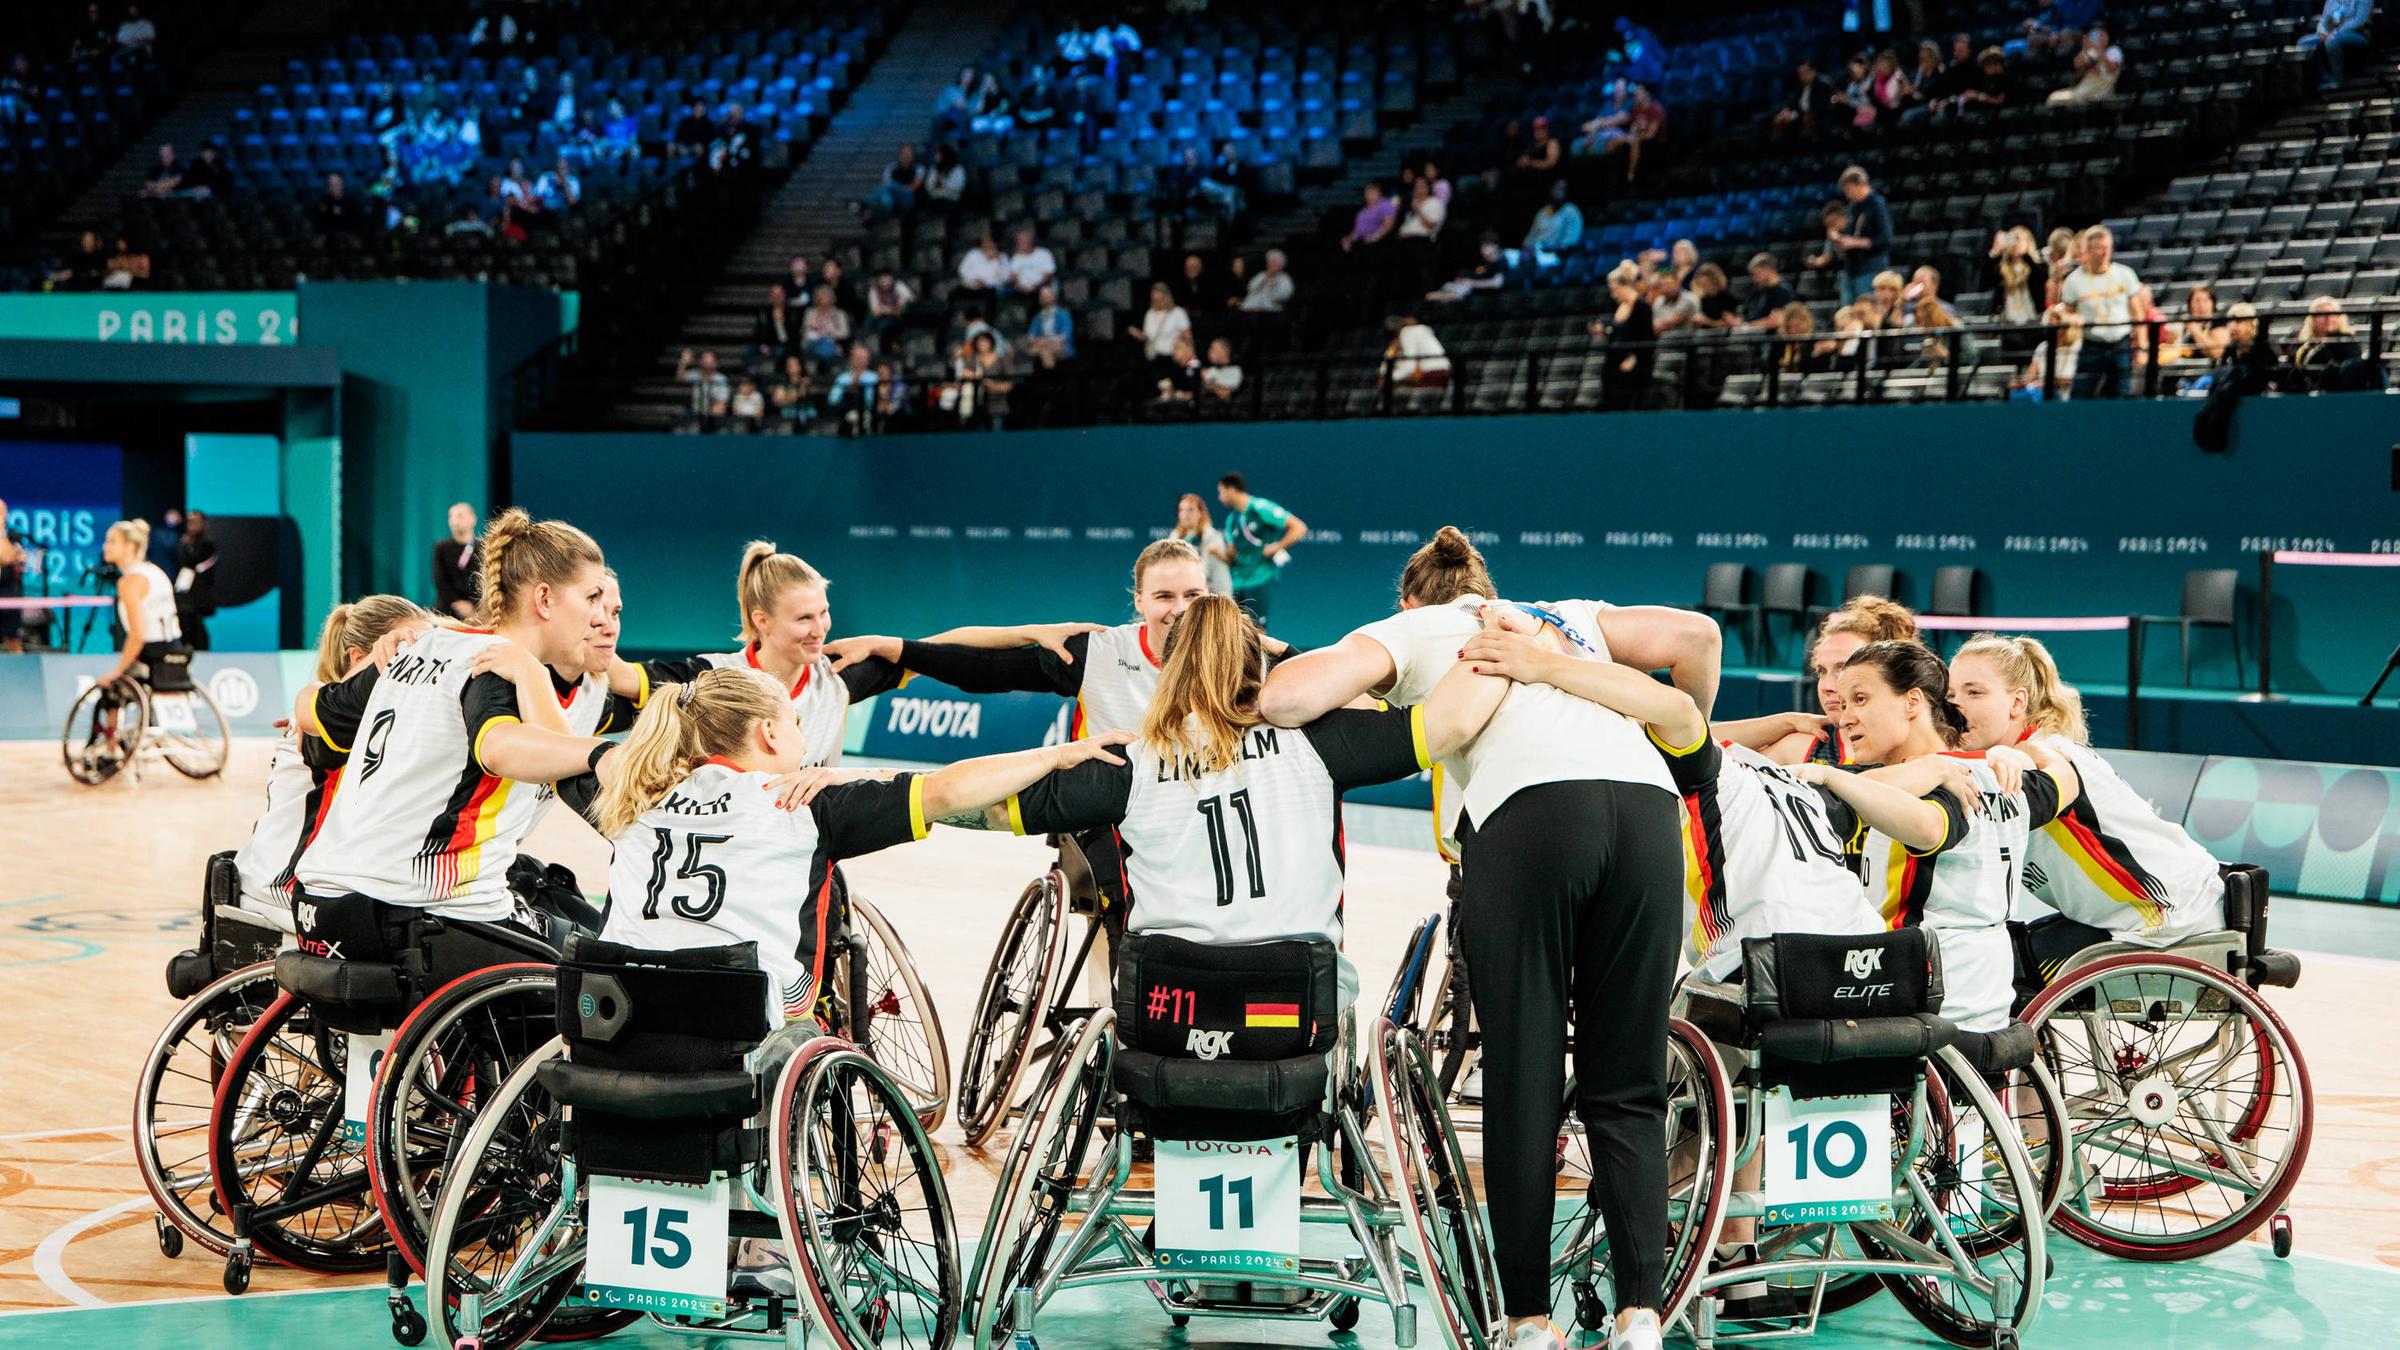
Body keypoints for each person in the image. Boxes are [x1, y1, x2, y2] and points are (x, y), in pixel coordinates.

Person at [1256, 528, 1723, 1350]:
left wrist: (1391, 699)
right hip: (1648, 816)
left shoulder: (1418, 627)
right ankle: (1640, 1318)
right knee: (1629, 1084)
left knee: (1523, 1077)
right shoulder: (1570, 615)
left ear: (1411, 599)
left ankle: (1529, 1322)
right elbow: (1699, 637)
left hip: (1534, 815)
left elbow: (1285, 699)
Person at [959, 592, 1509, 1021]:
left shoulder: (1129, 763)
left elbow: (989, 807)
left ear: (1167, 668)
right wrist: (1498, 631)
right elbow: (1450, 720)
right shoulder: (1320, 740)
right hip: (1291, 1007)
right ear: (1258, 664)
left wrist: (1050, 756)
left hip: (1169, 1011)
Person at [594, 664, 1135, 1028]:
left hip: (626, 1014)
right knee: (806, 1007)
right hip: (737, 1022)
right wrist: (1055, 754)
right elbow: (948, 790)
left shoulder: (633, 794)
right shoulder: (804, 807)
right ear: (770, 734)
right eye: (795, 723)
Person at [292, 509, 624, 923]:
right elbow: (501, 748)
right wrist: (600, 751)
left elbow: (310, 708)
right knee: (584, 952)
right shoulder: (495, 666)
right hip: (412, 907)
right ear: (543, 600)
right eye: (592, 598)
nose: (599, 617)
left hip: (318, 898)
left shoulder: (419, 645)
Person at [1821, 640, 2082, 1036]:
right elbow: (2066, 781)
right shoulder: (2000, 775)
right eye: (1843, 704)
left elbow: (1926, 826)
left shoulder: (1940, 788)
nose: (1845, 719)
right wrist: (2026, 752)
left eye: (1860, 699)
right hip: (1989, 1000)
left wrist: (1824, 774)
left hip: (1920, 1000)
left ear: (1912, 702)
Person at [1948, 634, 2229, 963]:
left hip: (2171, 916)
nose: (1956, 705)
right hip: (2134, 915)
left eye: (1974, 692)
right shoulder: (2026, 751)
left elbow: (2033, 758)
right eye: (1950, 694)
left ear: (2017, 703)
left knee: (1994, 965)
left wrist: (2005, 756)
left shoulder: (2046, 755)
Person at [232, 597, 436, 925]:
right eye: (404, 651)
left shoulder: (352, 710)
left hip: (300, 879)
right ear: (358, 658)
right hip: (284, 888)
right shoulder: (326, 710)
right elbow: (315, 706)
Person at [626, 543, 909, 770]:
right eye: (804, 618)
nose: (819, 629)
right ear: (762, 620)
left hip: (815, 826)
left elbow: (933, 654)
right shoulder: (713, 676)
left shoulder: (837, 675)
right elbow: (622, 678)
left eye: (823, 613)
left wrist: (878, 643)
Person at [2060, 226, 2147, 399]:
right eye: (2099, 248)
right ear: (2088, 250)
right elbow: (2066, 311)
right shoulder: (2073, 281)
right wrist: (2071, 317)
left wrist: (2142, 347)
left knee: (2121, 393)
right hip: (2092, 344)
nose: (2104, 253)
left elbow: (2138, 313)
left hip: (2121, 343)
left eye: (2107, 247)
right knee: (2081, 394)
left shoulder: (2125, 274)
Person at [96, 519, 183, 689]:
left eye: (112, 541)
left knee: (108, 690)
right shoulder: (156, 572)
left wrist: (117, 671)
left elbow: (138, 635)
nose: (106, 546)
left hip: (151, 657)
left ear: (130, 546)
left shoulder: (130, 582)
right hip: (177, 651)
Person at [1214, 473, 1306, 625]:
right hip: (1236, 583)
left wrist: (1277, 546)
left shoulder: (1261, 508)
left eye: (1221, 492)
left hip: (1258, 579)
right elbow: (1232, 556)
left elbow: (1299, 527)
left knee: (1257, 631)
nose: (1219, 498)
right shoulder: (1231, 520)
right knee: (1233, 630)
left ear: (1231, 490)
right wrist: (1219, 553)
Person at [1809, 167, 1894, 305]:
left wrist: (1855, 242)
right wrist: (1838, 238)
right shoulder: (1853, 207)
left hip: (1870, 269)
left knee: (1866, 307)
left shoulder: (1877, 206)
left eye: (1849, 190)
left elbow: (1886, 239)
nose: (1848, 195)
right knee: (1847, 310)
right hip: (1850, 269)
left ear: (1861, 184)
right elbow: (1849, 233)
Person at [1596, 260, 1656, 411]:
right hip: (1614, 364)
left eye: (1615, 289)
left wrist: (1634, 358)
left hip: (1634, 366)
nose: (1613, 294)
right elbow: (1617, 334)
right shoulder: (1618, 307)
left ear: (1626, 286)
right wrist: (1604, 331)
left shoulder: (1642, 307)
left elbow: (1646, 337)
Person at [2289, 295, 2366, 392]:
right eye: (2322, 314)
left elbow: (2350, 371)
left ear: (2339, 317)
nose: (2328, 318)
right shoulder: (2303, 343)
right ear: (2313, 319)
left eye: (2332, 314)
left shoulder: (2346, 340)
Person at [2301, 0, 2374, 90]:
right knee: (2303, 43)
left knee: (2332, 41)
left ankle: (2337, 80)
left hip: (2356, 33)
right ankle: (2323, 77)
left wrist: (2336, 32)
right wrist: (2322, 32)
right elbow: (2323, 20)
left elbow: (2359, 21)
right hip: (2331, 33)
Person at [1171, 494, 1233, 595]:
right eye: (1181, 510)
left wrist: (1223, 601)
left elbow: (1220, 577)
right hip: (1181, 595)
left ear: (1200, 513)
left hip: (1209, 597)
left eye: (1190, 509)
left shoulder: (1213, 538)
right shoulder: (1173, 539)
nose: (1185, 514)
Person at [172, 510, 217, 650]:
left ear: (203, 523)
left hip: (199, 594)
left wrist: (187, 546)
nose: (191, 524)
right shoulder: (183, 542)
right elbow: (181, 563)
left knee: (197, 628)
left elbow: (193, 562)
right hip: (184, 594)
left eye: (195, 521)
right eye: (189, 521)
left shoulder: (207, 544)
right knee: (185, 624)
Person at [2046, 25, 2124, 103]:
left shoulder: (2114, 51)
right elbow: (2077, 64)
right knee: (2053, 97)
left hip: (2101, 90)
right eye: (2098, 36)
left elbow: (2112, 68)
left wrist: (2100, 52)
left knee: (2057, 99)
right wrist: (2085, 47)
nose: (2100, 39)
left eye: (2102, 36)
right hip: (2085, 87)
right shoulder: (2092, 52)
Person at [432, 502, 480, 621]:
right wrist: (457, 603)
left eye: (460, 516)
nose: (454, 521)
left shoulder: (484, 548)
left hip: (477, 614)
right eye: (451, 517)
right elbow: (440, 581)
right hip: (446, 613)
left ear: (473, 519)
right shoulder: (441, 548)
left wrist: (473, 606)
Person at [1381, 314, 1451, 388]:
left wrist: (1389, 378)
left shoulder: (1406, 332)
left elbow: (1410, 367)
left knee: (1411, 394)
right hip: (1446, 370)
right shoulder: (1421, 328)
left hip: (1432, 372)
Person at [1134, 283, 1192, 365]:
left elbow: (1188, 336)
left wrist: (1189, 357)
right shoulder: (1149, 314)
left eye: (1160, 299)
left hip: (1173, 356)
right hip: (1155, 357)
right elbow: (1147, 336)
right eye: (1155, 300)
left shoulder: (1177, 312)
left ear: (1167, 297)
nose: (1157, 302)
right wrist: (1139, 334)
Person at [864, 142, 923, 221]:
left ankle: (866, 203)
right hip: (892, 196)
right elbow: (884, 185)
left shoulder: (919, 168)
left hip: (908, 197)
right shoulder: (891, 167)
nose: (906, 155)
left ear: (913, 154)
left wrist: (897, 188)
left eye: (909, 152)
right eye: (904, 152)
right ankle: (879, 209)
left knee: (891, 185)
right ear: (900, 154)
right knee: (886, 197)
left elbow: (914, 187)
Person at [1524, 180, 1585, 256]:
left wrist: (1547, 248)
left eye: (1560, 189)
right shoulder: (1542, 212)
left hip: (1553, 256)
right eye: (1554, 188)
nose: (1556, 192)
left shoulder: (1572, 212)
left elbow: (1569, 244)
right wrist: (1527, 247)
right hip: (1533, 253)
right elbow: (1530, 237)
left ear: (1566, 192)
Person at [1738, 254, 1795, 332]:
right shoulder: (1758, 291)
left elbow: (1775, 321)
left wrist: (1747, 326)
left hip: (1771, 336)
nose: (1754, 279)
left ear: (1768, 270)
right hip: (1755, 333)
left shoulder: (1783, 291)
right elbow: (1748, 315)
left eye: (1757, 274)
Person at [800, 285, 851, 370]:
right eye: (821, 297)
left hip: (831, 343)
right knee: (813, 345)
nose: (823, 299)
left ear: (831, 298)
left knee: (826, 344)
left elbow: (845, 333)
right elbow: (804, 331)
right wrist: (814, 330)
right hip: (812, 342)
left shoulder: (839, 314)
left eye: (826, 297)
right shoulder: (810, 313)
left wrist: (828, 331)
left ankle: (824, 365)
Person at [1026, 284, 1076, 367]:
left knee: (1045, 350)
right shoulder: (1037, 317)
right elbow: (1031, 335)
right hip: (1042, 345)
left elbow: (1066, 334)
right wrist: (1036, 340)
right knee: (1035, 350)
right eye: (1042, 297)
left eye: (1047, 296)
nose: (1045, 299)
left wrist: (1048, 340)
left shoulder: (1063, 314)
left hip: (1061, 345)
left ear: (1053, 297)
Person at [1341, 182, 1398, 254]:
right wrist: (1349, 239)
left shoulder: (1385, 204)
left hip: (1376, 241)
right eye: (1368, 193)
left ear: (1380, 193)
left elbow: (1388, 225)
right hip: (1360, 240)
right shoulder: (1362, 212)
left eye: (1373, 193)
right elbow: (1357, 229)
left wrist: (1375, 237)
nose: (1370, 196)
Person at [1006, 227, 1057, 295]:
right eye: (1018, 241)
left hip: (1040, 287)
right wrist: (1019, 286)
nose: (1020, 243)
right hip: (1022, 290)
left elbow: (1049, 275)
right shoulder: (1016, 257)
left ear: (1030, 241)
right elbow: (1014, 276)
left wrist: (1035, 287)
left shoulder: (1044, 253)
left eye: (1023, 241)